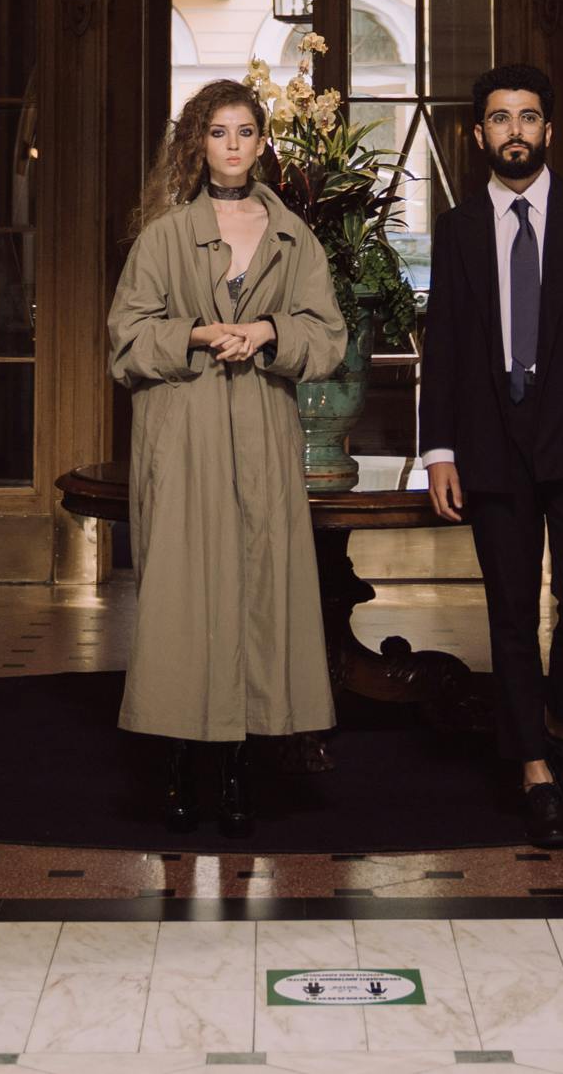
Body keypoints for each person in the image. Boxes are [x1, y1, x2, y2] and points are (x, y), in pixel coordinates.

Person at [417, 62, 563, 847]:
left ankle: (558, 723)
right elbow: (445, 345)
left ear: (548, 131)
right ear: (477, 133)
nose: (513, 130)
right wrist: (439, 448)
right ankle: (534, 771)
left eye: (527, 117)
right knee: (511, 614)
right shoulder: (455, 230)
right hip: (491, 443)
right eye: (499, 117)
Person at [107, 79, 348, 838]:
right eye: (220, 131)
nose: (234, 144)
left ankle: (240, 771)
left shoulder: (293, 236)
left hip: (262, 430)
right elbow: (124, 339)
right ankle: (180, 766)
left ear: (261, 142)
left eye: (247, 130)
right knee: (184, 597)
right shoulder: (165, 236)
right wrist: (200, 333)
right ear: (198, 141)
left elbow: (328, 335)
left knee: (258, 589)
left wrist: (270, 330)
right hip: (183, 431)